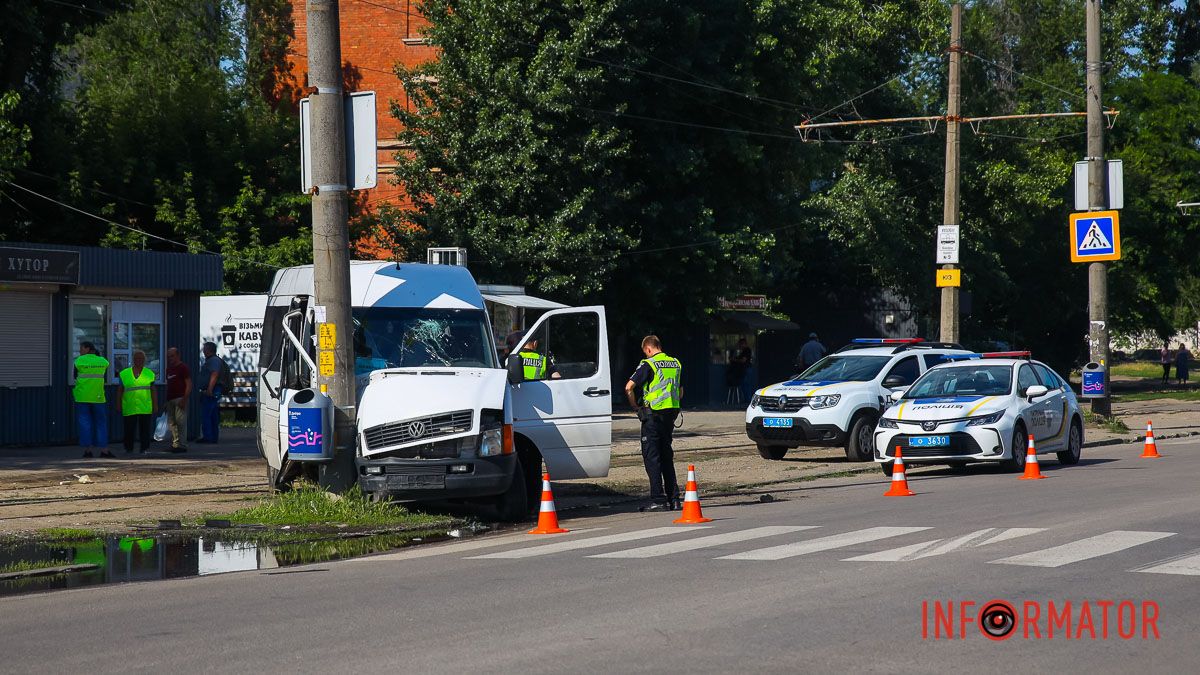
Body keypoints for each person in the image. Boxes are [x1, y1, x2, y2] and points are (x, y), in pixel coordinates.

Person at [625, 335, 683, 512]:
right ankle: (674, 499)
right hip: (670, 416)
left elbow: (629, 387)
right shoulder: (675, 363)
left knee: (652, 457)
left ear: (648, 349)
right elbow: (680, 391)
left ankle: (658, 500)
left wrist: (635, 407)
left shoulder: (648, 364)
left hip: (652, 417)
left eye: (646, 352)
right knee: (667, 456)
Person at [73, 341, 112, 459]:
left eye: (81, 348)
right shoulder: (103, 362)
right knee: (101, 423)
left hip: (82, 397)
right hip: (98, 397)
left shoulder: (79, 361)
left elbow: (74, 376)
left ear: (87, 348)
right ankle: (104, 450)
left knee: (85, 423)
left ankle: (88, 450)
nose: (80, 351)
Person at [117, 350, 158, 454]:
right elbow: (120, 390)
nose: (139, 360)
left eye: (141, 359)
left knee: (145, 429)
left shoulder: (149, 374)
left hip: (145, 406)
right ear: (133, 360)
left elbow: (153, 390)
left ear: (144, 360)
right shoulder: (124, 374)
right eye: (136, 358)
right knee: (129, 429)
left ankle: (144, 448)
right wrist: (118, 404)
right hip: (129, 405)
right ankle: (128, 448)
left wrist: (155, 405)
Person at [198, 342, 231, 443]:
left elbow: (215, 374)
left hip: (213, 389)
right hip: (214, 389)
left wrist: (209, 389)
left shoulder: (214, 361)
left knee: (206, 413)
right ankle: (213, 437)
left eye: (204, 349)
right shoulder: (213, 360)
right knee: (212, 414)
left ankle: (208, 437)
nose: (203, 351)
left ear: (209, 350)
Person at [164, 347, 191, 453]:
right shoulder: (169, 369)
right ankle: (175, 444)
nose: (170, 358)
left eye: (172, 356)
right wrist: (166, 401)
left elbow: (189, 384)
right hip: (170, 399)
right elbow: (169, 385)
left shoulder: (183, 367)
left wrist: (184, 399)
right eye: (168, 356)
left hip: (180, 398)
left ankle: (182, 445)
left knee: (181, 423)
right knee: (172, 423)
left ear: (178, 356)